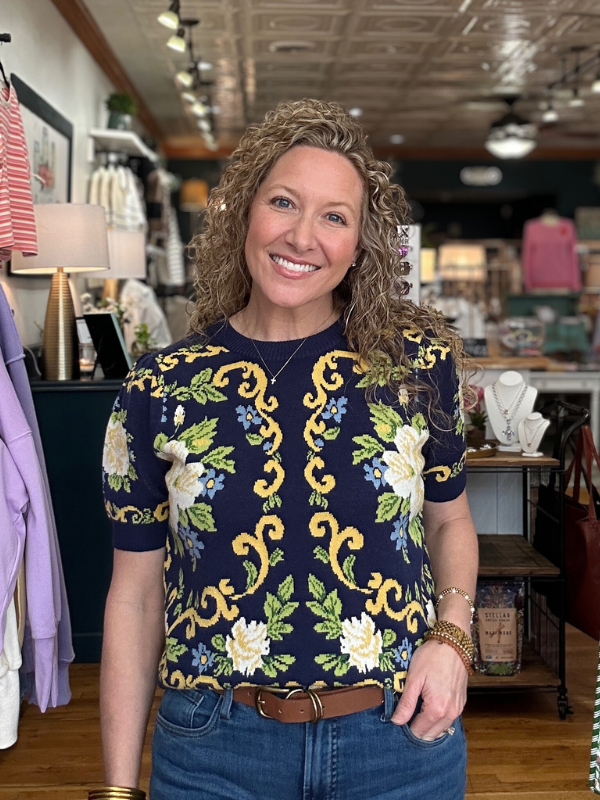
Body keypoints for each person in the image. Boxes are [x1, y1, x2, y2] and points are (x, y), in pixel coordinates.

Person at [96, 98, 478, 800]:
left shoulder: (417, 367)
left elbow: (449, 520)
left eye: (334, 216)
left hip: (399, 741)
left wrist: (452, 637)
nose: (303, 237)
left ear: (360, 244)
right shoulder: (158, 388)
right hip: (215, 750)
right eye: (283, 202)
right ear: (244, 211)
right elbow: (135, 597)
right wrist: (119, 791)